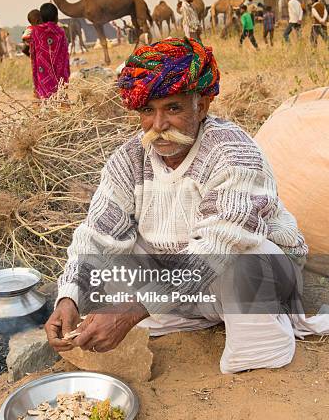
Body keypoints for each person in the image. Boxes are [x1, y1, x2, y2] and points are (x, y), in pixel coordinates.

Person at [45, 37, 329, 374]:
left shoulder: (234, 154)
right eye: (148, 111)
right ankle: (177, 312)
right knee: (111, 256)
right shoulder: (129, 158)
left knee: (245, 256)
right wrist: (69, 297)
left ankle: (262, 349)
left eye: (173, 108)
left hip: (246, 276)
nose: (159, 125)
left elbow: (217, 247)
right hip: (178, 281)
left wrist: (132, 309)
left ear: (203, 106)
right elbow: (97, 234)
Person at [29, 3, 70, 99]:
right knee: (61, 100)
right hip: (59, 76)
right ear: (56, 17)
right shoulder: (60, 32)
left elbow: (33, 55)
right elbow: (65, 54)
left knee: (45, 101)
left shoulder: (35, 32)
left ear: (42, 18)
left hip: (43, 76)